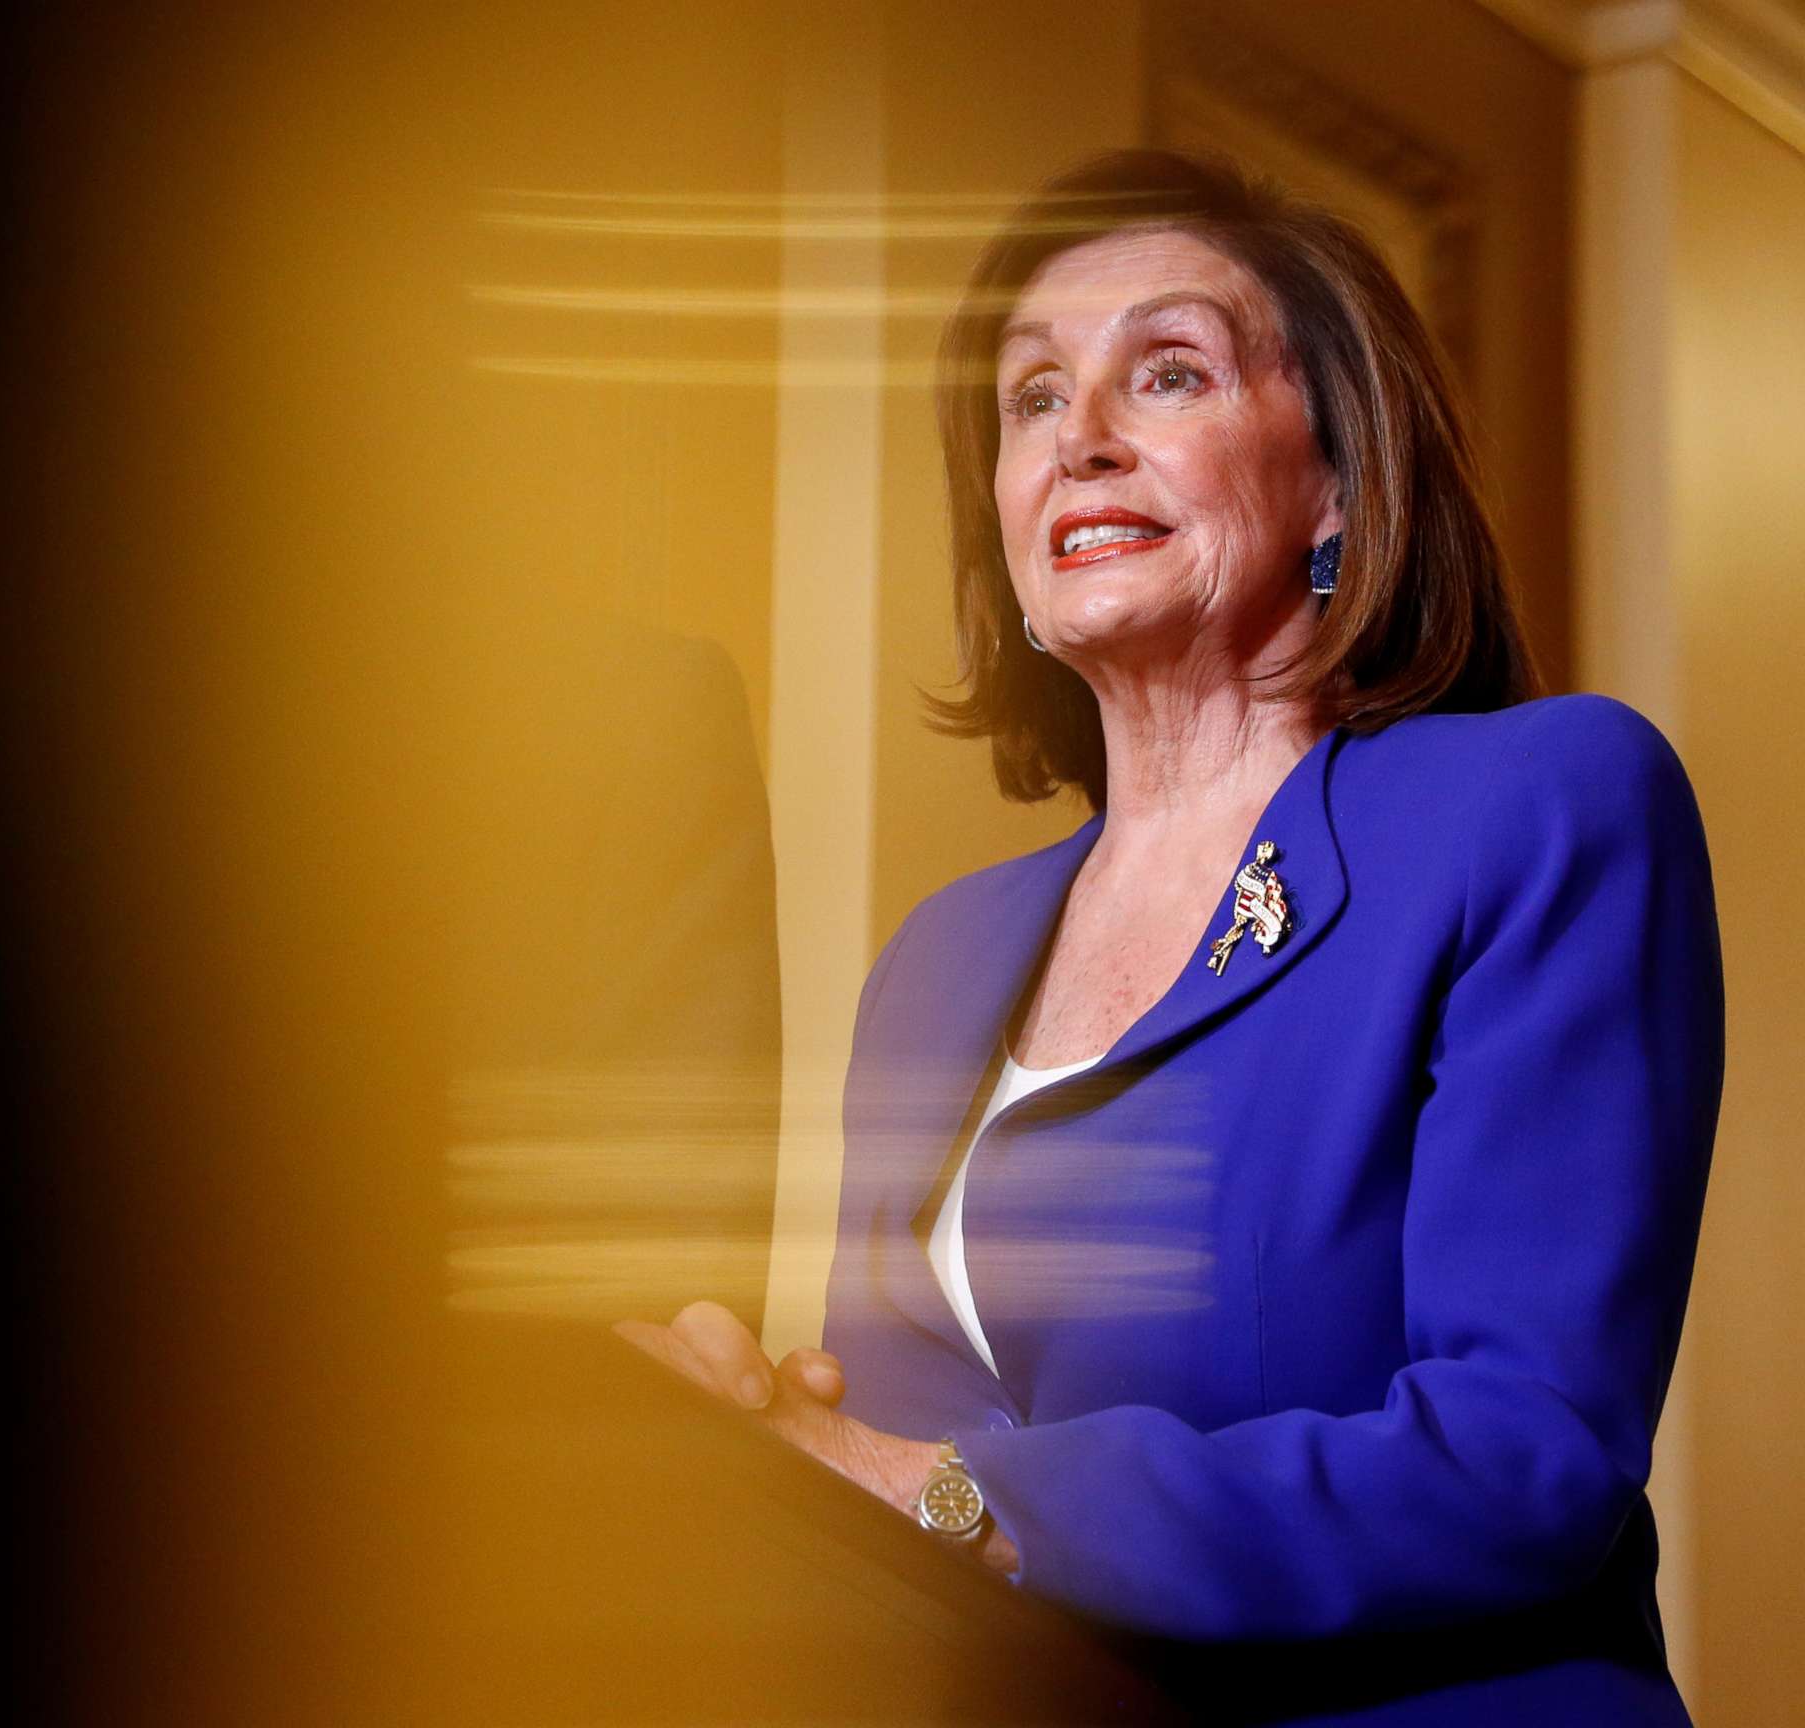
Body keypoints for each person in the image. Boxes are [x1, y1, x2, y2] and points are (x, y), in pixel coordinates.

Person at [618, 150, 1722, 1724]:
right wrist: (754, 1444)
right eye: (1031, 400)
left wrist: (940, 1496)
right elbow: (891, 1460)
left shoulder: (1538, 807)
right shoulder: (940, 960)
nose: (1083, 438)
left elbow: (1523, 1451)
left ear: (1337, 479)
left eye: (1171, 371)